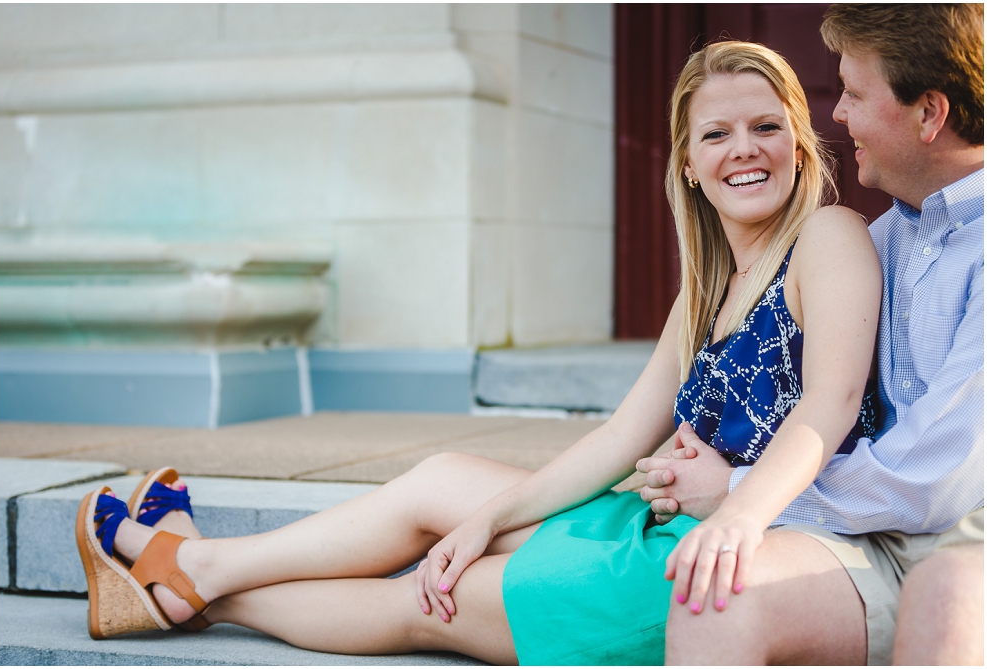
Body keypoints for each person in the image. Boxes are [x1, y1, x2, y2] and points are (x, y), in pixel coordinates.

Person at [73, 41, 882, 665]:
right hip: (659, 525)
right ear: (690, 166)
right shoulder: (707, 286)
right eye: (718, 133)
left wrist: (735, 512)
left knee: (431, 599)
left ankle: (194, 585)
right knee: (440, 485)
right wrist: (483, 518)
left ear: (802, 147)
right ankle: (197, 569)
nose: (745, 148)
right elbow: (615, 438)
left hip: (729, 555)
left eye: (766, 126)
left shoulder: (826, 238)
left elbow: (829, 405)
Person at [644, 5, 984, 665]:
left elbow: (935, 479)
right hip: (873, 540)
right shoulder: (882, 236)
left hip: (967, 540)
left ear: (929, 113)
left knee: (946, 600)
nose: (837, 113)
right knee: (715, 592)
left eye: (854, 93)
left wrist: (739, 491)